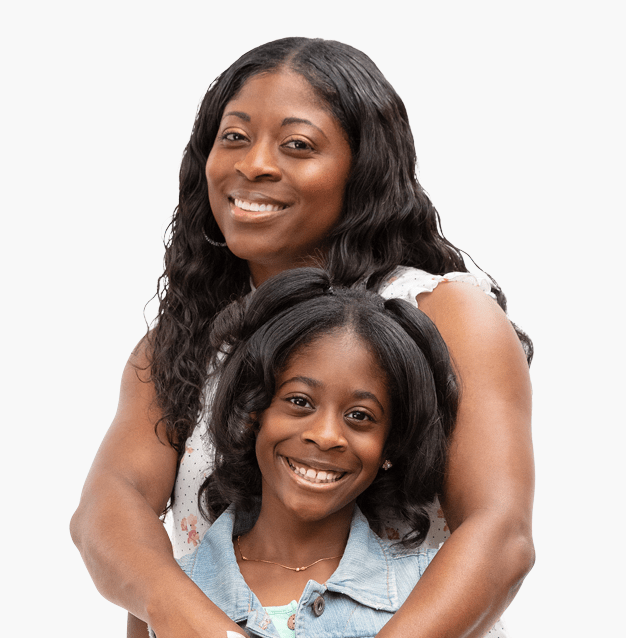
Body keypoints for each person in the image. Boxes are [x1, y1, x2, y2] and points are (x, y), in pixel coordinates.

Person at [70, 37, 534, 638]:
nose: (254, 164)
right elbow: (108, 508)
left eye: (298, 145)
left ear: (361, 169)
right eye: (234, 137)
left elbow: (500, 533)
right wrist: (192, 619)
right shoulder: (183, 341)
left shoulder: (443, 314)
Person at [161, 266, 459, 638]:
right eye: (300, 402)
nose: (325, 435)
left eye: (359, 416)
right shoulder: (169, 594)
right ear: (254, 413)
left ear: (391, 445)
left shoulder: (431, 596)